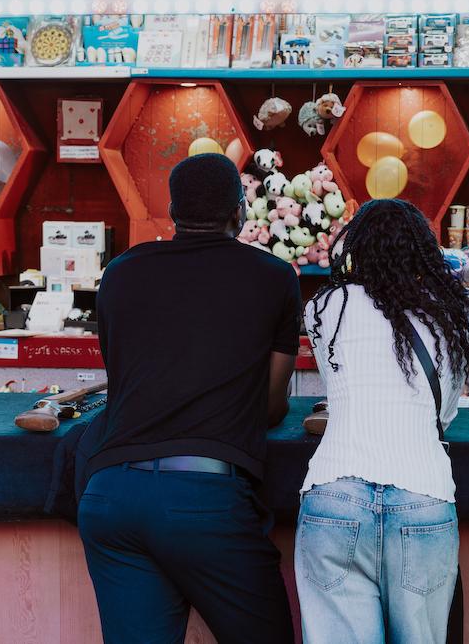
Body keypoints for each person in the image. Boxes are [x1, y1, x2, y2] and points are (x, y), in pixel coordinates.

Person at [79, 153, 300, 644]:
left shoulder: (120, 272)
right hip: (203, 500)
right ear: (239, 212)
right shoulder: (273, 276)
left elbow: (124, 378)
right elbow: (270, 405)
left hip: (109, 497)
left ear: (172, 212)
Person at [296, 199, 469, 644]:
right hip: (424, 496)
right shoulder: (458, 309)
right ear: (423, 249)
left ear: (355, 247)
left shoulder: (326, 307)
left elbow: (342, 386)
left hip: (335, 494)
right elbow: (445, 412)